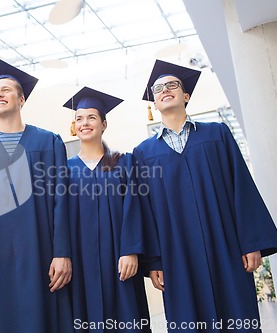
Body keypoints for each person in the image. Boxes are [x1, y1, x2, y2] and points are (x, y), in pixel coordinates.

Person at [133, 59, 277, 332]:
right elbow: (145, 211)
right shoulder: (143, 153)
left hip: (224, 244)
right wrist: (155, 261)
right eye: (158, 88)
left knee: (237, 313)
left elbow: (242, 187)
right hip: (177, 253)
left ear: (186, 95)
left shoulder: (217, 134)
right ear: (154, 102)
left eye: (172, 85)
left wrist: (250, 242)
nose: (165, 90)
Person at [0, 59, 73, 333]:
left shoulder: (48, 142)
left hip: (40, 251)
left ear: (21, 99)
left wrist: (62, 252)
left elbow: (61, 200)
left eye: (5, 90)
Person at [64, 87, 159, 333]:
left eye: (91, 117)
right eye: (79, 119)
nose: (85, 123)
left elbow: (135, 208)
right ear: (74, 126)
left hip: (120, 259)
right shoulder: (64, 170)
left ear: (104, 124)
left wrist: (131, 250)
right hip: (81, 262)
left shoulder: (123, 162)